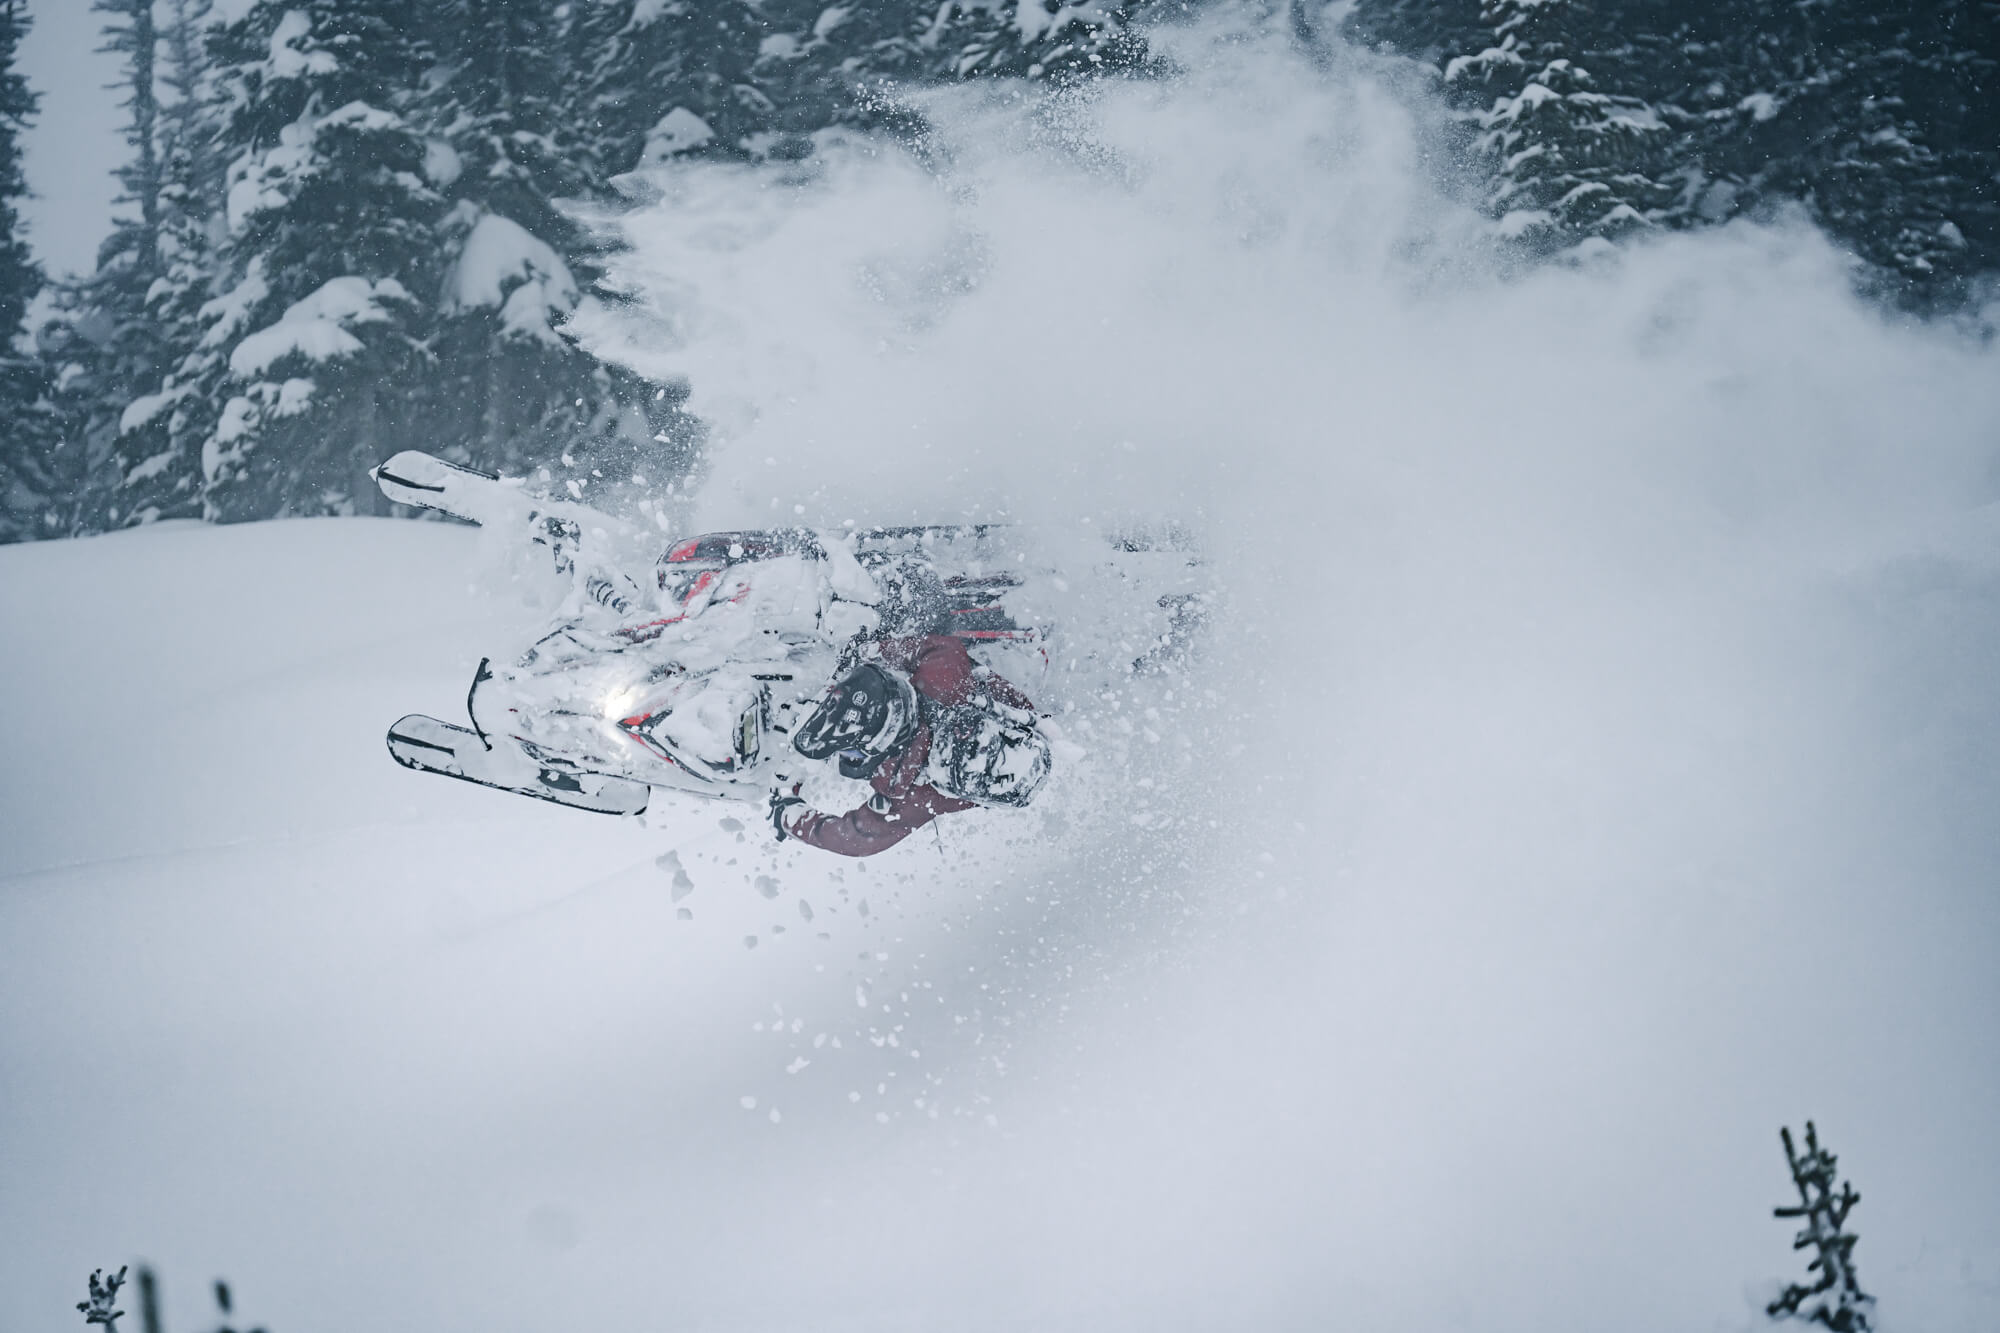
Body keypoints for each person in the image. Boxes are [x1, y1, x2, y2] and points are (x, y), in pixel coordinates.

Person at [767, 631, 1051, 857]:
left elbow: (854, 840)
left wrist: (789, 815)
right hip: (1015, 713)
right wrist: (875, 649)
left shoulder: (910, 795)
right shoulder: (941, 680)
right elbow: (942, 647)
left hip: (1008, 729)